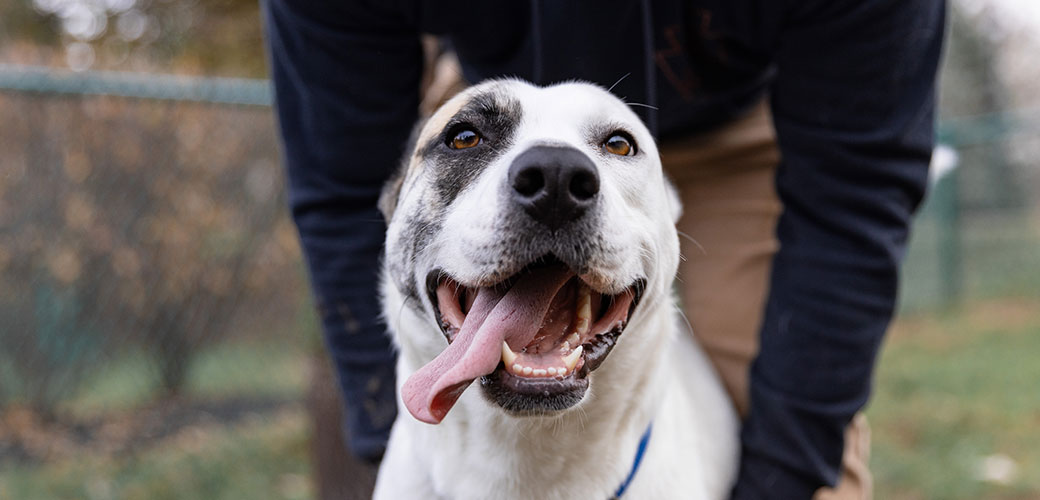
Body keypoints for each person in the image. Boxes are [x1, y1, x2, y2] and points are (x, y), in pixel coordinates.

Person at [262, 1, 945, 498]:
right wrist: (395, 435)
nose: (554, 173)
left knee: (817, 472)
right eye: (465, 139)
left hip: (761, 122)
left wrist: (786, 480)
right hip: (489, 72)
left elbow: (856, 193)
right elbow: (344, 187)